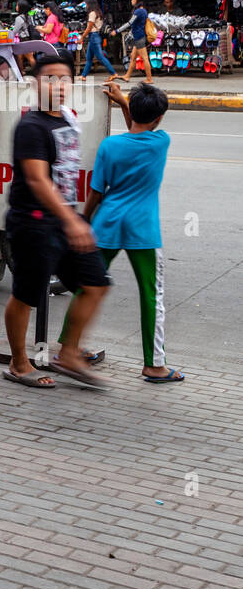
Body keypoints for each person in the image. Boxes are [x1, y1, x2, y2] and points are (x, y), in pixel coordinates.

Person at [1, 49, 110, 388]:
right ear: (36, 83)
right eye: (51, 78)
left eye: (65, 78)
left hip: (62, 221)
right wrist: (73, 220)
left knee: (95, 284)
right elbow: (37, 179)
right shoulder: (31, 126)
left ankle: (69, 353)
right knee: (26, 295)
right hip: (33, 221)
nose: (59, 84)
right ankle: (19, 363)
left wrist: (72, 219)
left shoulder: (65, 118)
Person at [64, 83, 181, 382]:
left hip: (107, 223)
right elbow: (141, 126)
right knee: (151, 295)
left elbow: (96, 192)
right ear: (159, 119)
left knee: (86, 287)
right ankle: (154, 365)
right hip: (143, 229)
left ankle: (68, 347)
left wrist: (84, 222)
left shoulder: (110, 147)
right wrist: (123, 102)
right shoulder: (160, 142)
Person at [113, 0, 154, 86]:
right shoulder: (143, 10)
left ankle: (149, 79)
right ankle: (127, 76)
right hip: (139, 36)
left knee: (144, 58)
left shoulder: (138, 11)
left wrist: (117, 31)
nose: (131, 0)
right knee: (133, 58)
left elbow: (129, 23)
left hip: (139, 37)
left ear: (136, 0)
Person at [79, 0, 117, 79]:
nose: (85, 5)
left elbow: (89, 28)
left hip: (93, 36)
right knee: (89, 58)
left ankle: (113, 73)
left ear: (89, 3)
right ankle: (83, 76)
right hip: (95, 36)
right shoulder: (98, 12)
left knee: (100, 57)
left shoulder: (92, 13)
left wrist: (82, 37)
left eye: (86, 3)